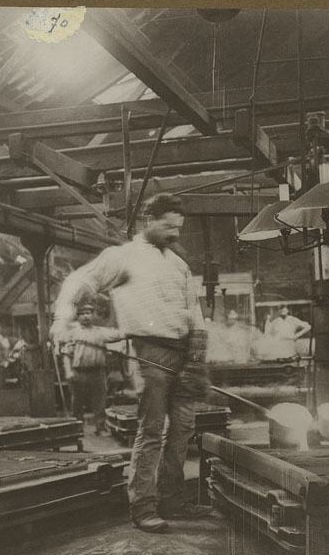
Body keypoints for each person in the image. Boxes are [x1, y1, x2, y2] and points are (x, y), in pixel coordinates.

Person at [52, 193, 212, 533]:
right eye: (168, 226)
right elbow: (78, 282)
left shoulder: (179, 264)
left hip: (186, 355)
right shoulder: (122, 257)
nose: (175, 234)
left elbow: (194, 309)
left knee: (183, 429)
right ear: (148, 220)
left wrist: (198, 352)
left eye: (179, 228)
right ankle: (143, 506)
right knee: (153, 429)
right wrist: (61, 321)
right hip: (150, 353)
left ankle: (173, 499)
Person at [60, 302, 121, 434]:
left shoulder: (101, 332)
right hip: (79, 372)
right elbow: (66, 355)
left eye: (88, 313)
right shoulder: (72, 334)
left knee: (100, 401)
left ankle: (101, 427)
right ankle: (77, 429)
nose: (85, 316)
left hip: (98, 372)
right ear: (78, 317)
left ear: (93, 315)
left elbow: (118, 336)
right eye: (82, 314)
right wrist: (69, 372)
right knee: (77, 402)